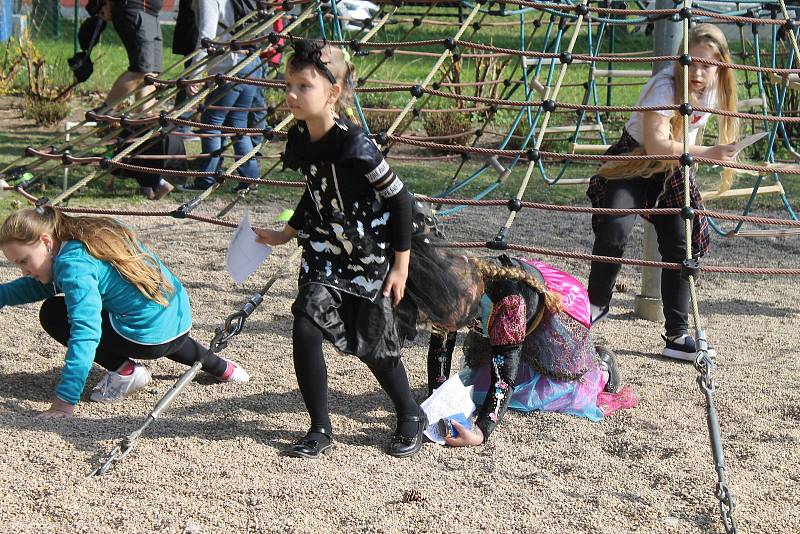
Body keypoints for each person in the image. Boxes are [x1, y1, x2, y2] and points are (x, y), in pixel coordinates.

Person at [254, 40, 425, 459]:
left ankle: (409, 412)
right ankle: (320, 427)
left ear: (331, 92)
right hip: (325, 250)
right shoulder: (300, 139)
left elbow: (400, 200)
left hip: (370, 253)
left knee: (373, 342)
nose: (291, 95)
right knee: (305, 321)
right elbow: (314, 193)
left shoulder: (355, 145)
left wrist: (400, 267)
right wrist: (285, 233)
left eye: (303, 86)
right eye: (288, 85)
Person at [0, 206, 249, 419]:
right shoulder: (88, 234)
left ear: (45, 241)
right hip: (177, 322)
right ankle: (222, 368)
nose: (23, 270)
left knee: (53, 313)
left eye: (23, 261)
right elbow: (40, 283)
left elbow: (85, 332)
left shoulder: (72, 264)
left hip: (146, 338)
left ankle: (126, 372)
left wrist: (65, 400)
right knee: (149, 319)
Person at [586, 24, 739, 360]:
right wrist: (708, 153)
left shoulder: (713, 89)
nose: (699, 73)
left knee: (681, 242)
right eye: (693, 63)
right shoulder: (665, 86)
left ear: (720, 67)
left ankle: (677, 335)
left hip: (672, 167)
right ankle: (594, 305)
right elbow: (655, 144)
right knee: (615, 224)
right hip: (635, 159)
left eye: (708, 65)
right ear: (681, 60)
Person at [406, 239, 637, 447]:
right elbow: (441, 344)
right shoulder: (450, 290)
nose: (440, 324)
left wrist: (480, 431)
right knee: (480, 388)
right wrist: (437, 399)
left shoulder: (508, 304)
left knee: (564, 393)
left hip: (559, 308)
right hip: (503, 317)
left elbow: (505, 377)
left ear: (467, 296)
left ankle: (604, 367)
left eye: (443, 319)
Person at [182, 0, 261, 191]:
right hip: (250, 62)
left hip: (230, 66)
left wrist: (195, 74)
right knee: (236, 124)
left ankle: (207, 179)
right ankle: (251, 178)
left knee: (211, 123)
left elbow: (207, 36)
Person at [99, 0, 164, 111]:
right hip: (135, 8)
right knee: (141, 70)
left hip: (152, 13)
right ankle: (103, 112)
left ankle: (142, 120)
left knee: (152, 73)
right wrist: (107, 4)